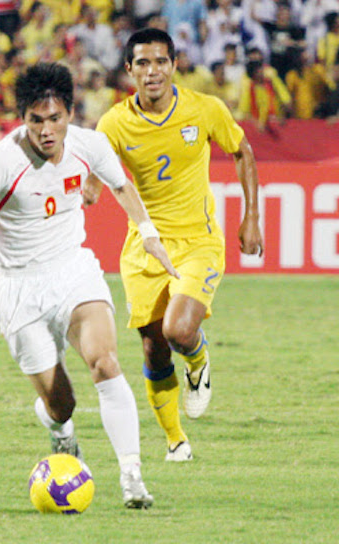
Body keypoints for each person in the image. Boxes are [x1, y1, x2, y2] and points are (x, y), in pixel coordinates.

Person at [0, 62, 179, 509]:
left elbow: (122, 186)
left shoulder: (90, 145)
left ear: (70, 112)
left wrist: (149, 235)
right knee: (60, 404)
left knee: (106, 363)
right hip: (19, 288)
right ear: (22, 119)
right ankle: (62, 434)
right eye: (36, 120)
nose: (47, 130)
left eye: (55, 118)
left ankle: (132, 476)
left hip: (73, 271)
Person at [95, 28, 264, 462]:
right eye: (143, 64)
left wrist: (252, 216)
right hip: (145, 247)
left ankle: (198, 360)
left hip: (198, 242)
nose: (153, 72)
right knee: (152, 346)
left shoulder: (204, 109)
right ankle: (175, 440)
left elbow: (242, 150)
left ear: (174, 64)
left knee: (178, 330)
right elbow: (95, 175)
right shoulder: (113, 122)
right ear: (129, 70)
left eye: (161, 62)